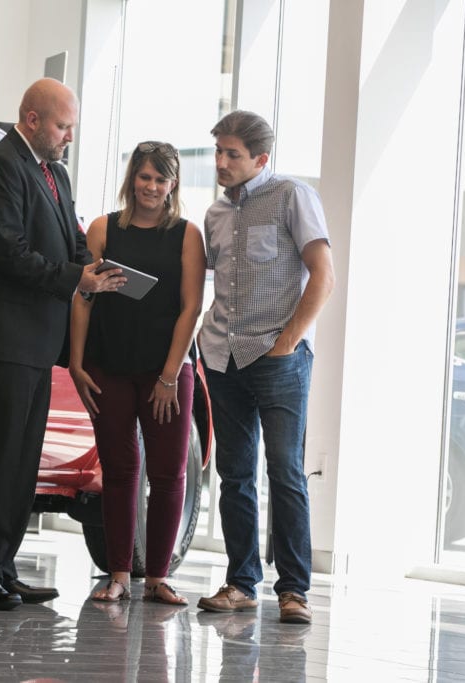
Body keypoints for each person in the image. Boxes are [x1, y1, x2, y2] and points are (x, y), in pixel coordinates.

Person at [0, 78, 123, 611]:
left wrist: (99, 268)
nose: (69, 137)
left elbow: (69, 241)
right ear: (34, 119)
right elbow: (7, 253)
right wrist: (75, 280)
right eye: (64, 126)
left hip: (32, 346)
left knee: (21, 465)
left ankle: (1, 568)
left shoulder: (55, 175)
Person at [195, 110, 334, 624]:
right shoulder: (214, 214)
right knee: (234, 474)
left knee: (286, 471)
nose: (221, 162)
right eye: (218, 152)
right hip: (221, 356)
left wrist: (288, 341)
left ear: (261, 158)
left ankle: (294, 591)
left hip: (278, 358)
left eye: (232, 154)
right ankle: (240, 583)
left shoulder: (293, 197)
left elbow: (323, 275)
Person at [69, 141, 206, 606]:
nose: (151, 187)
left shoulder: (187, 235)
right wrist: (76, 360)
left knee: (168, 474)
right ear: (132, 179)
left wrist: (170, 375)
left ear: (173, 186)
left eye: (160, 179)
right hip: (109, 364)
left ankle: (158, 577)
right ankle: (119, 575)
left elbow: (191, 307)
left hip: (165, 370)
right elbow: (83, 297)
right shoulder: (103, 229)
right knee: (120, 470)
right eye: (144, 177)